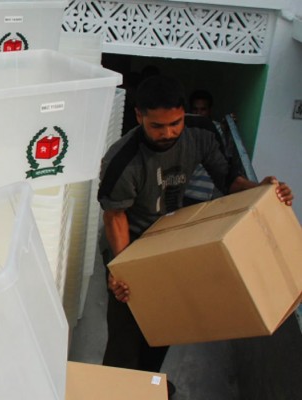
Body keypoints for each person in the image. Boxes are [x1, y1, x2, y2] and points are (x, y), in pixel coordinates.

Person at [97, 75, 294, 396]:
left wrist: (262, 190)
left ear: (183, 113)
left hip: (173, 242)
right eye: (157, 126)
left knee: (162, 328)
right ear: (139, 116)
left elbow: (229, 179)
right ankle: (114, 391)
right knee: (126, 333)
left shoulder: (201, 132)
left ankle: (147, 385)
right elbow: (115, 217)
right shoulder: (122, 160)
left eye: (175, 123)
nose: (168, 133)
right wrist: (120, 271)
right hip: (131, 247)